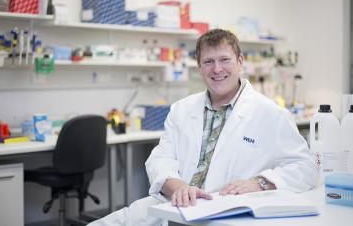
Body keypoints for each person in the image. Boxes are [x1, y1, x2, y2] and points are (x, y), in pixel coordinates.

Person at [89, 29, 318, 226]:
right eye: (208, 62)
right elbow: (160, 159)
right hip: (172, 206)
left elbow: (305, 167)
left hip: (227, 213)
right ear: (199, 68)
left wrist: (258, 183)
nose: (216, 69)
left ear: (240, 62)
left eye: (224, 60)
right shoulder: (181, 109)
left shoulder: (270, 113)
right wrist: (177, 187)